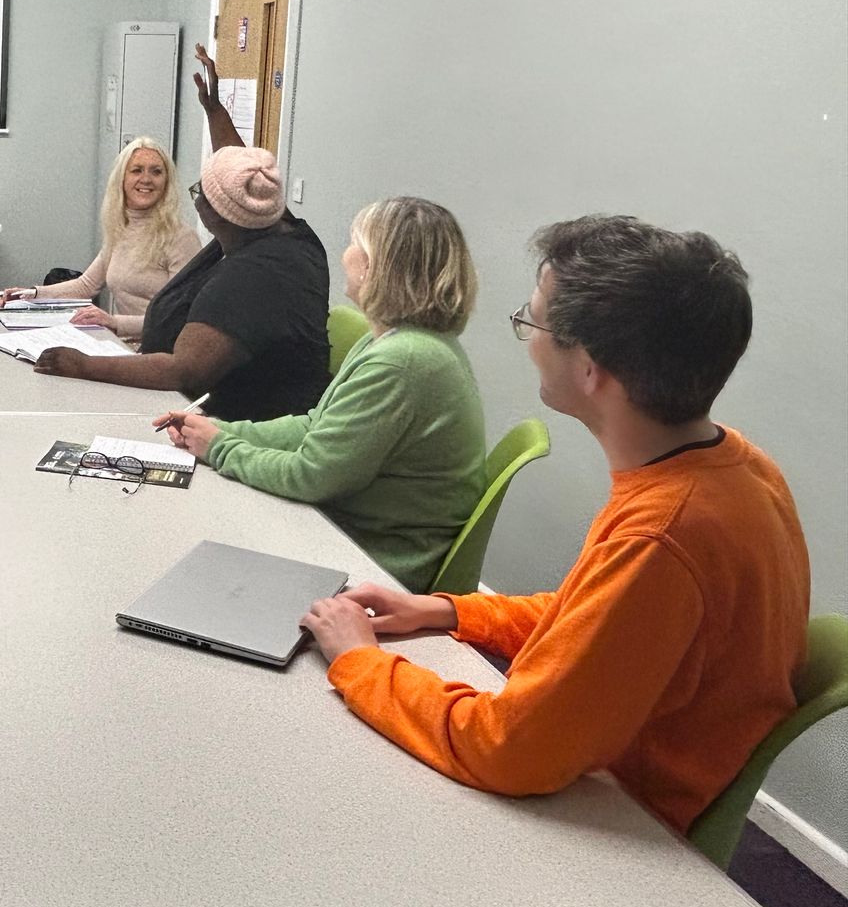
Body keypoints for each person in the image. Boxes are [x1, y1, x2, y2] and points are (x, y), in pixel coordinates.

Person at [301, 216, 810, 835]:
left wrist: (358, 661)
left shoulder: (662, 536)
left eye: (531, 320)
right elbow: (597, 616)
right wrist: (448, 612)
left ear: (590, 368)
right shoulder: (733, 467)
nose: (526, 334)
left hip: (611, 821)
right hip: (597, 768)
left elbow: (508, 752)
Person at [158, 197, 487, 588]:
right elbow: (316, 425)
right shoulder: (395, 341)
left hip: (375, 563)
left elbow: (311, 475)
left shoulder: (402, 361)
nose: (346, 254)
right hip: (355, 533)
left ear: (375, 266)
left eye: (355, 244)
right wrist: (221, 430)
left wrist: (219, 448)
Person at [32, 145, 330, 418]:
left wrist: (83, 365)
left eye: (200, 192)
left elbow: (184, 371)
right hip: (265, 405)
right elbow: (250, 183)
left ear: (213, 211)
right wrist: (215, 113)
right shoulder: (286, 234)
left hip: (248, 424)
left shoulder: (243, 279)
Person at [0, 136, 199, 336]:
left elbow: (180, 318)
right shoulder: (121, 230)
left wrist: (113, 321)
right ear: (122, 179)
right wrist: (32, 294)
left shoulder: (181, 238)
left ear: (166, 181)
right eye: (137, 170)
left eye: (156, 172)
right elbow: (86, 286)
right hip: (127, 345)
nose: (146, 179)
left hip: (161, 352)